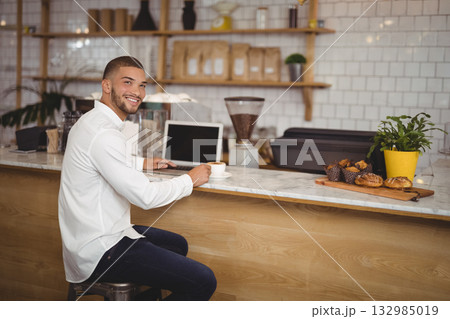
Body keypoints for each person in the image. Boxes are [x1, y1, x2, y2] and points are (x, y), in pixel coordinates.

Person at [58, 56, 216, 301]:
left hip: (94, 237)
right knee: (203, 280)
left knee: (177, 245)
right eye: (128, 82)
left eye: (142, 85)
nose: (137, 91)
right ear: (107, 86)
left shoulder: (90, 121)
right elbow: (146, 197)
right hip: (101, 249)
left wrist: (141, 163)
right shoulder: (105, 133)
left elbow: (101, 160)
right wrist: (190, 179)